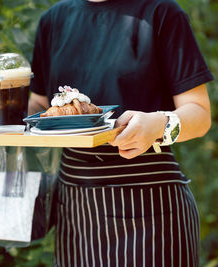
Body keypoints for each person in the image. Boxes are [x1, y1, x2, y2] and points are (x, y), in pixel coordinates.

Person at [28, 0, 214, 266]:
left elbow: (200, 115)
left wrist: (158, 125)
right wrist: (3, 105)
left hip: (152, 210)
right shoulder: (53, 20)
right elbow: (39, 106)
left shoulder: (162, 12)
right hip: (76, 211)